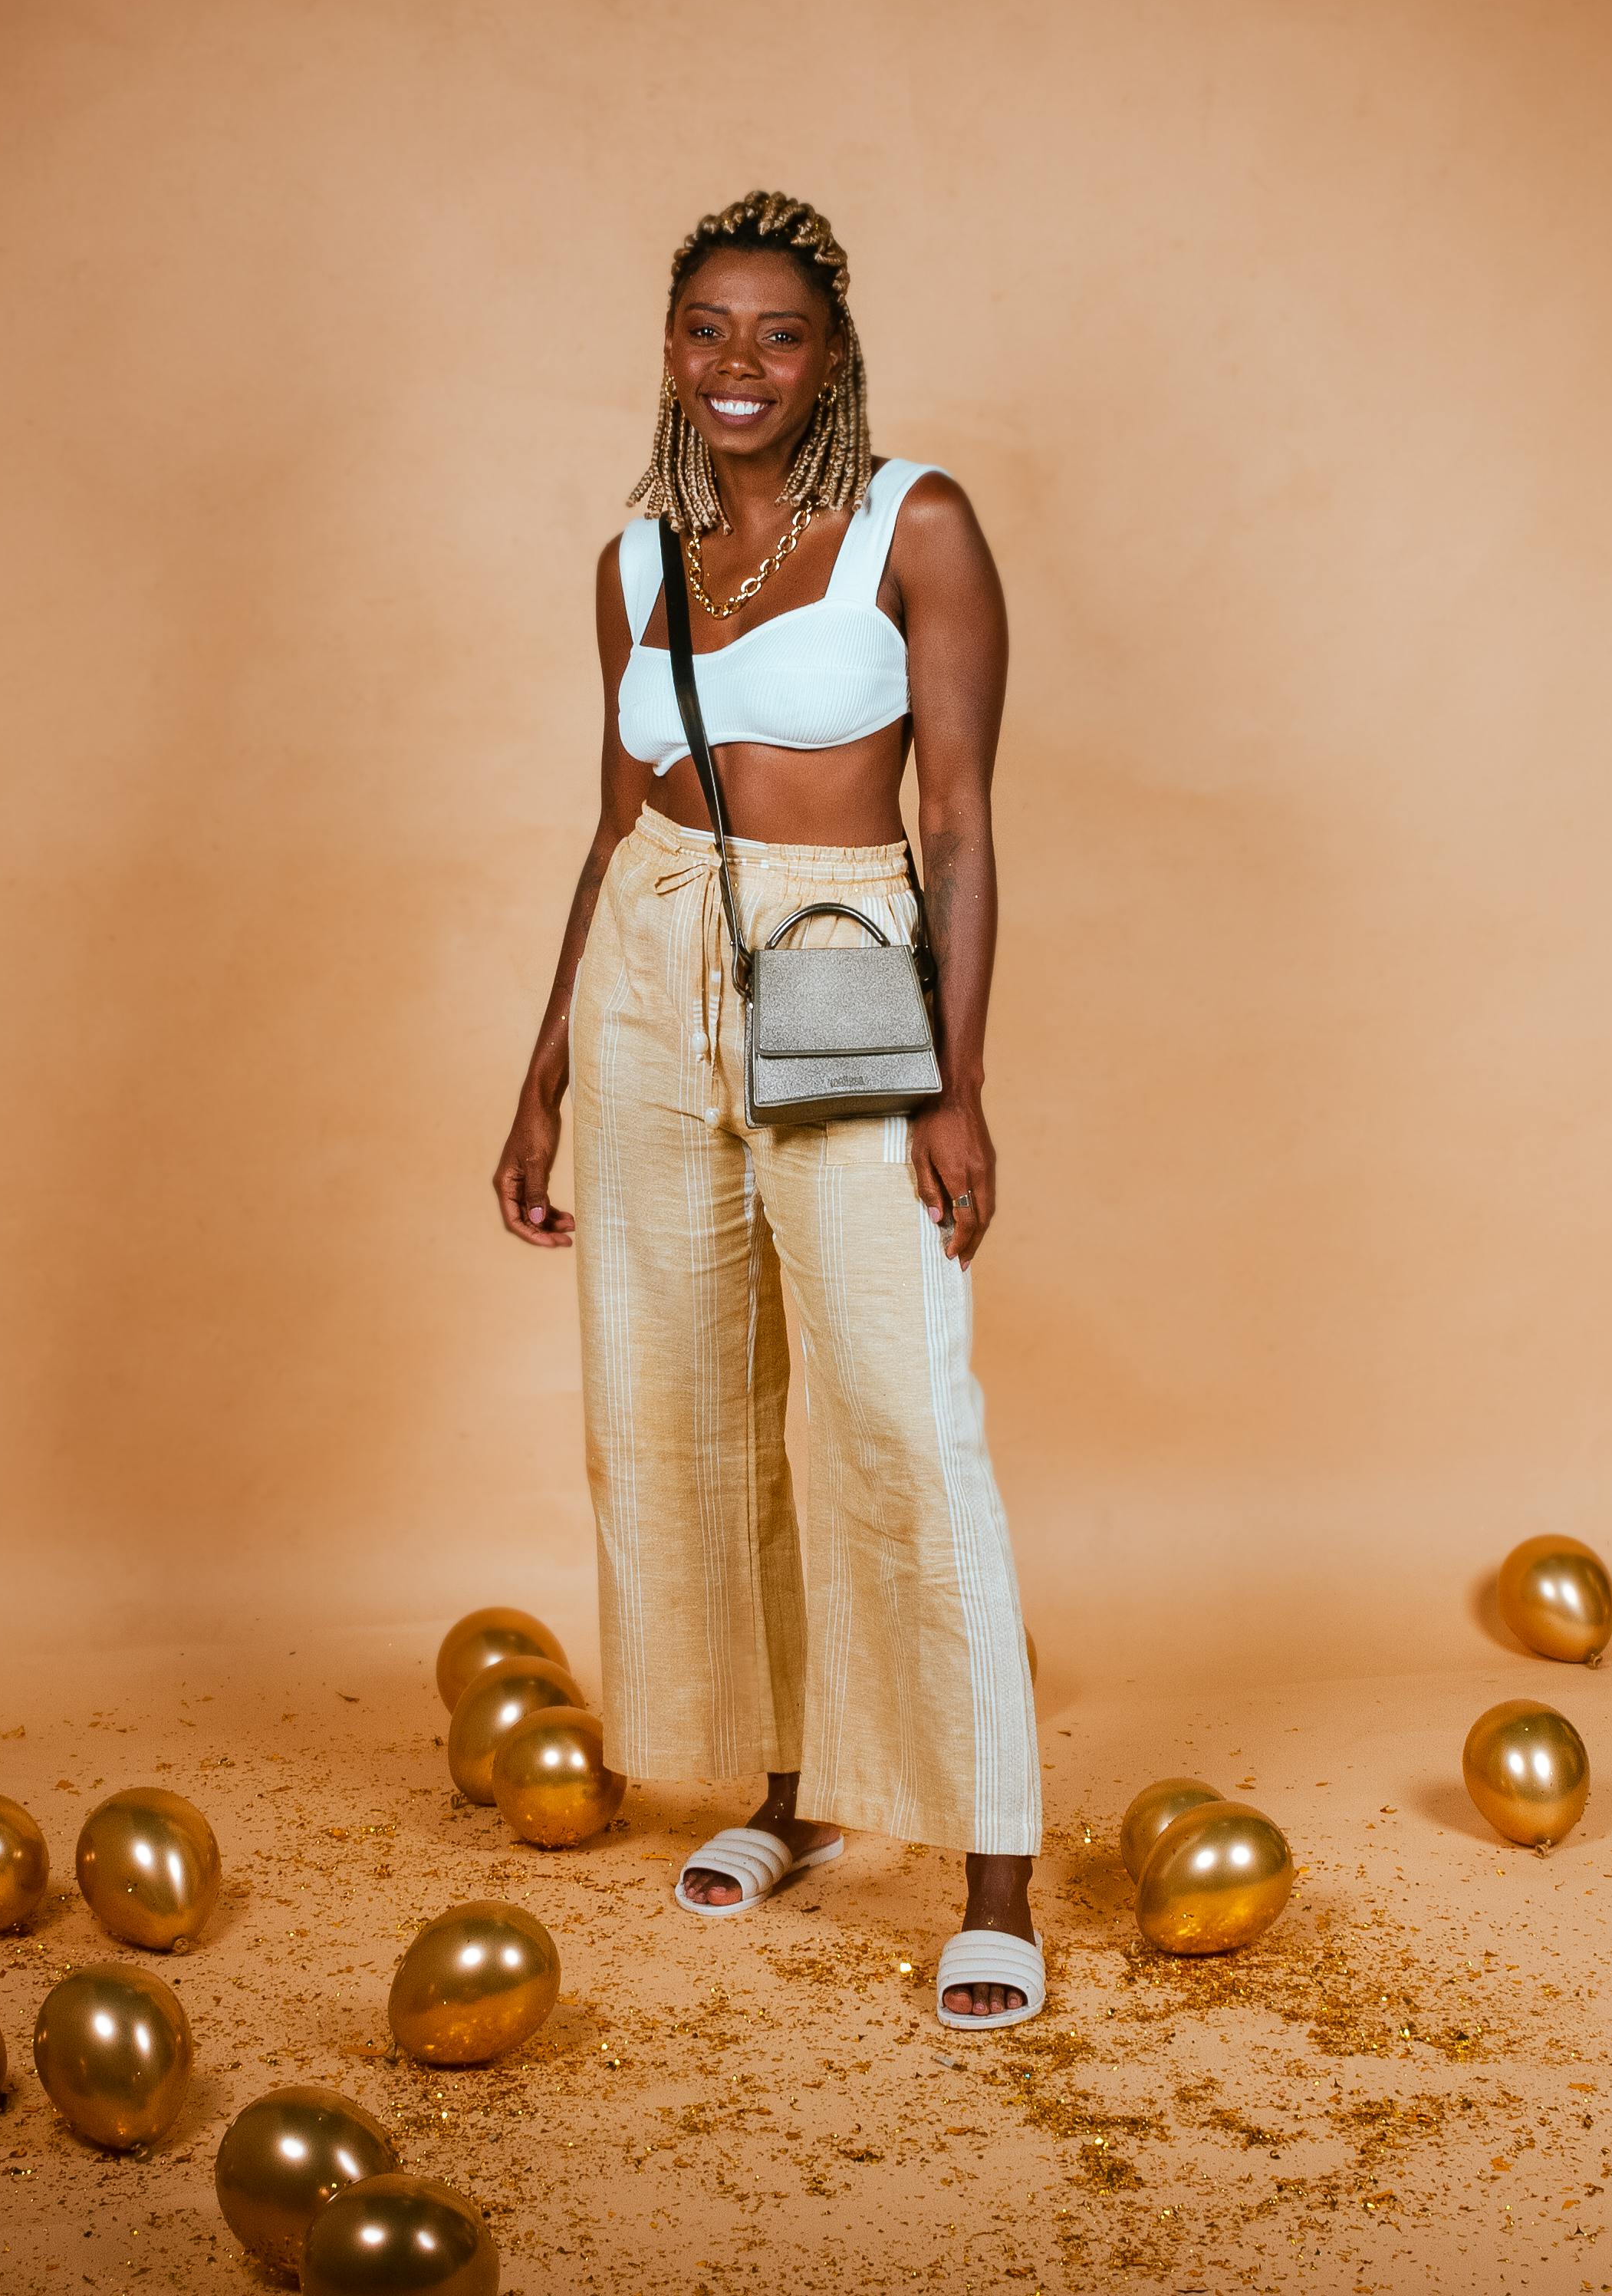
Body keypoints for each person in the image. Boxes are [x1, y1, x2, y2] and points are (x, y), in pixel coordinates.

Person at [493, 191, 1042, 2026]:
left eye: (778, 334)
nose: (740, 365)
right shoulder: (632, 559)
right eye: (708, 331)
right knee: (684, 1394)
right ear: (671, 350)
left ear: (832, 356)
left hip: (831, 957)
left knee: (893, 1395)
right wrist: (543, 1068)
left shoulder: (917, 523)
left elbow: (955, 824)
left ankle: (992, 1866)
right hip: (646, 963)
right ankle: (785, 1793)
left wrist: (956, 1088)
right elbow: (610, 821)